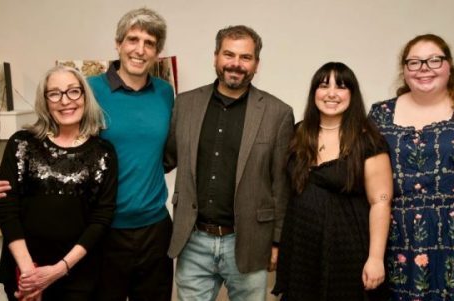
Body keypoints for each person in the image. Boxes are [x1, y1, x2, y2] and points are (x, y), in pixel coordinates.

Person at [165, 25, 294, 301]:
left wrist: (277, 241)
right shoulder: (185, 104)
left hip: (248, 241)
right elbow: (165, 158)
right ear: (215, 57)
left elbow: (280, 185)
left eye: (245, 57)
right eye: (229, 55)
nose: (236, 64)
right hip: (193, 238)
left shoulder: (278, 114)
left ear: (256, 64)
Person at [369, 33, 454, 300]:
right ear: (404, 70)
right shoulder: (380, 115)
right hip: (401, 249)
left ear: (449, 65)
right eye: (414, 62)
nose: (424, 69)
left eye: (434, 60)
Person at [272, 62, 392, 301]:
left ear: (352, 94)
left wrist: (376, 258)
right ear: (314, 92)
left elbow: (381, 202)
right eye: (324, 85)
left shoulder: (368, 140)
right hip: (301, 246)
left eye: (341, 86)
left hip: (348, 248)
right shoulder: (298, 134)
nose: (331, 93)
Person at [0, 65, 117, 300]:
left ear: (84, 96)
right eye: (55, 93)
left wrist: (58, 270)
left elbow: (101, 218)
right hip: (24, 275)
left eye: (73, 91)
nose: (65, 101)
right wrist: (30, 276)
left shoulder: (103, 152)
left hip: (78, 277)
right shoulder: (20, 144)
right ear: (45, 101)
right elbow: (6, 209)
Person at [86, 7, 175, 300]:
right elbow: (59, 144)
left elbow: (167, 151)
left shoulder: (165, 92)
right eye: (132, 39)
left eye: (149, 43)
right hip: (104, 228)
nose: (140, 49)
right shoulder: (90, 90)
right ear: (118, 43)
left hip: (155, 227)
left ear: (157, 51)